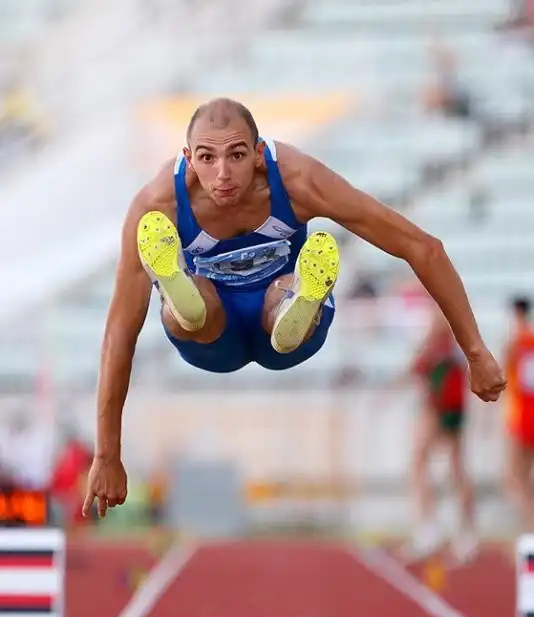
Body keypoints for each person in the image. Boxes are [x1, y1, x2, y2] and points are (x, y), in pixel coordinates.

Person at [82, 97, 506, 518]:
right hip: (212, 334)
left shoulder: (298, 180)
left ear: (259, 154)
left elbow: (422, 247)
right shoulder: (159, 205)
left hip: (285, 333)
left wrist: (476, 352)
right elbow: (120, 329)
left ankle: (300, 298)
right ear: (188, 158)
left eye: (236, 155)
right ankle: (179, 292)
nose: (223, 173)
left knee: (277, 301)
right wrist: (106, 454)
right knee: (197, 306)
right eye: (208, 158)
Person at [404, 304, 478, 562]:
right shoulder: (450, 314)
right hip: (447, 398)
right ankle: (459, 532)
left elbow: (424, 359)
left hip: (440, 399)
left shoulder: (442, 314)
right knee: (450, 466)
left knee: (424, 462)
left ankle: (435, 529)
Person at [503, 296, 534, 531]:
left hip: (522, 415)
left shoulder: (516, 343)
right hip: (526, 412)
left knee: (515, 476)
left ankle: (529, 528)